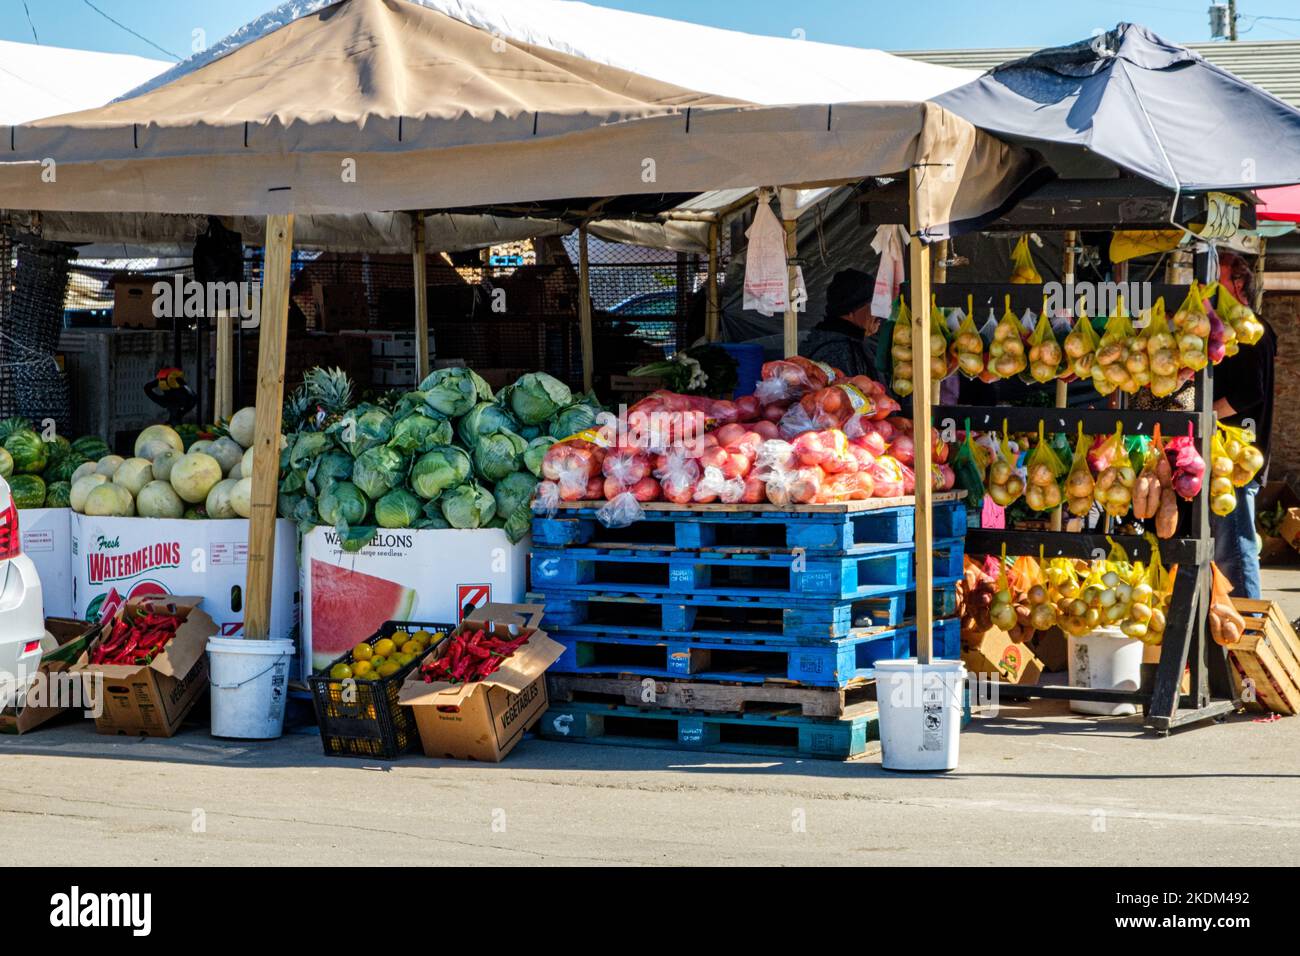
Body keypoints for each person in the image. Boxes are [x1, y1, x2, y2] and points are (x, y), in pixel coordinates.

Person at [1212, 253, 1276, 600]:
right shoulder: (1241, 327)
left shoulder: (1251, 331)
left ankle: (1248, 624)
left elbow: (1251, 392)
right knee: (1229, 545)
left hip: (1237, 459)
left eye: (1216, 278)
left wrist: (1208, 415)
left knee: (1235, 547)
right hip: (1231, 457)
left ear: (1238, 284)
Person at [802, 269, 881, 379]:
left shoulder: (847, 342)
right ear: (851, 310)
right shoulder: (835, 351)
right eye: (874, 305)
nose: (879, 312)